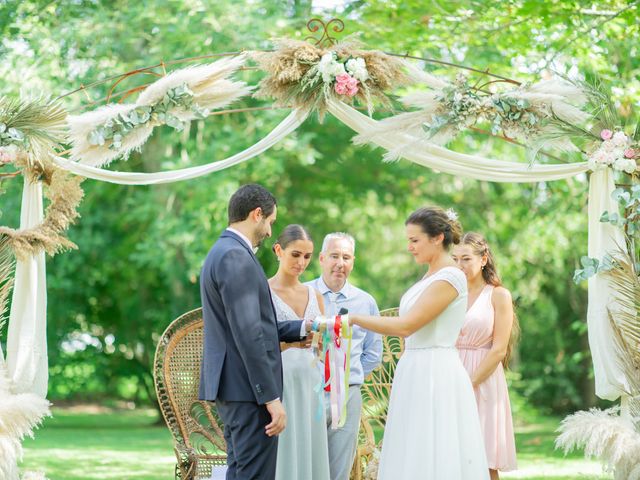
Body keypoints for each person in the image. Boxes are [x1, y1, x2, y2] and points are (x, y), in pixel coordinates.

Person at [349, 207, 489, 480]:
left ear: (437, 238)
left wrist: (355, 319)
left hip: (435, 371)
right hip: (415, 367)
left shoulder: (451, 277)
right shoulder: (430, 275)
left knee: (434, 446)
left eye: (415, 240)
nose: (409, 247)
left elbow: (407, 325)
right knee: (413, 446)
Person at [198, 184, 311, 480]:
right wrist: (271, 399)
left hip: (234, 388)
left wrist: (303, 328)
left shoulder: (221, 251)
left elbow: (254, 325)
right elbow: (249, 335)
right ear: (257, 214)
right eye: (270, 222)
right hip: (248, 391)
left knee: (240, 473)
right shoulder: (235, 257)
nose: (270, 231)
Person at [306, 232, 382, 480]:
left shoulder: (366, 302)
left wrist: (347, 377)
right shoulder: (302, 294)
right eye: (334, 256)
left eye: (346, 257)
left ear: (353, 261)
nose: (340, 263)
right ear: (321, 258)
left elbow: (373, 353)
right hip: (307, 393)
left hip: (347, 395)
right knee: (306, 466)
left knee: (338, 471)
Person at [452, 232, 518, 479]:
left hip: (483, 378)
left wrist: (469, 383)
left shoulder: (499, 295)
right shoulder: (449, 294)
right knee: (452, 453)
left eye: (466, 259)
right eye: (455, 259)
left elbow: (499, 349)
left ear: (483, 259)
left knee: (484, 457)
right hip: (452, 372)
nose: (460, 265)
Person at [268, 224, 331, 480]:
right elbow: (255, 343)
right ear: (279, 250)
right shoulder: (263, 292)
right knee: (285, 449)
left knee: (310, 447)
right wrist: (291, 343)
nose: (302, 262)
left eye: (307, 256)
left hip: (310, 381)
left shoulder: (315, 295)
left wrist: (321, 342)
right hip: (280, 383)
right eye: (296, 254)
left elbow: (323, 345)